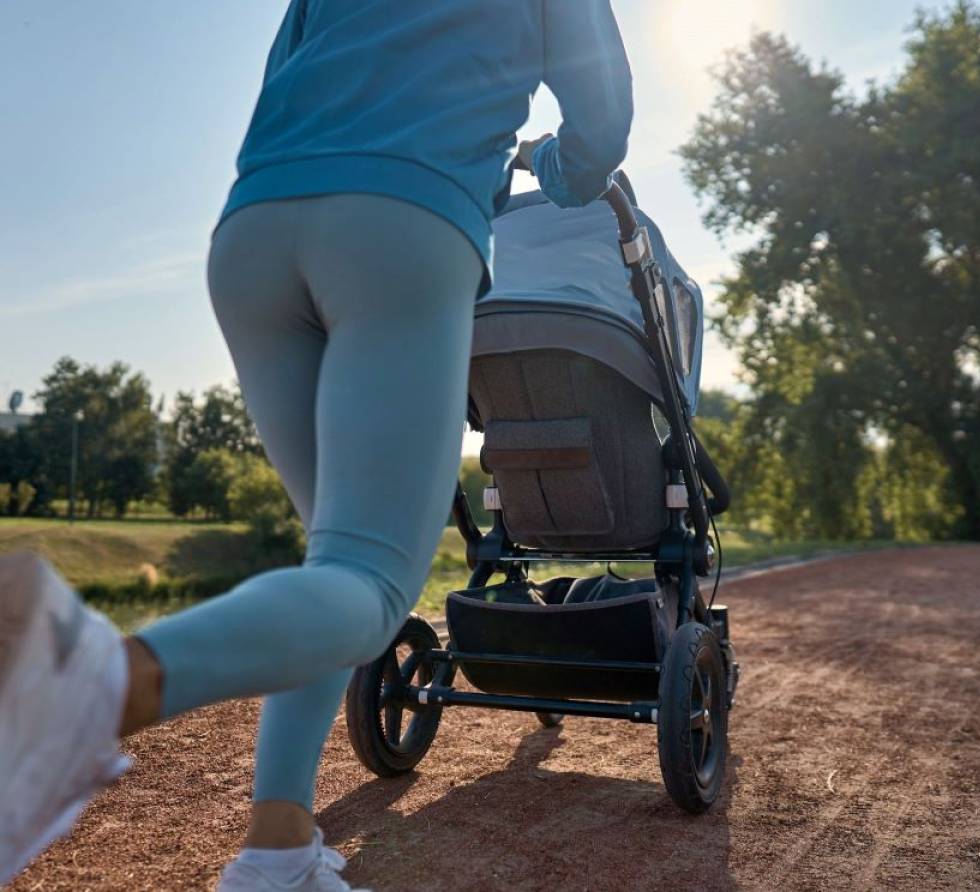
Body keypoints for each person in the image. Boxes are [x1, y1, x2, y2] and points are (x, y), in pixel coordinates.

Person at [0, 1, 633, 889]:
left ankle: (279, 844)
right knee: (369, 586)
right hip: (397, 230)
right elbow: (602, 122)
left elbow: (284, 85)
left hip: (254, 232)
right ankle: (87, 684)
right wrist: (553, 171)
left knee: (328, 565)